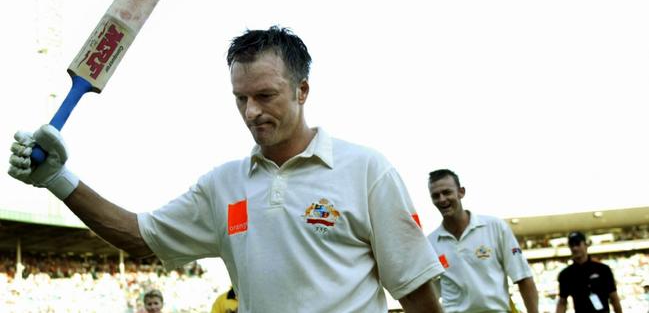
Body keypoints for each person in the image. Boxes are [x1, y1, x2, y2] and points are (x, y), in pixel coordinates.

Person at [8, 26, 445, 313]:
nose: (252, 111)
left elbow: (417, 295)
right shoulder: (223, 185)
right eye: (241, 98)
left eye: (266, 95)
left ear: (302, 91)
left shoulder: (366, 170)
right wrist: (58, 180)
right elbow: (139, 237)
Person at [426, 169, 539, 313]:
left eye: (447, 192)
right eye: (435, 196)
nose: (442, 199)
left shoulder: (495, 227)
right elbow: (431, 294)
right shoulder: (430, 243)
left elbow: (523, 278)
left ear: (461, 192)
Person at [556, 231, 623, 313]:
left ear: (585, 245)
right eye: (572, 245)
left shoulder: (603, 270)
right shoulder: (566, 275)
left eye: (577, 244)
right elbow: (562, 302)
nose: (575, 248)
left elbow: (614, 297)